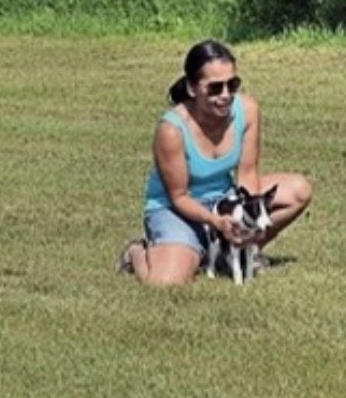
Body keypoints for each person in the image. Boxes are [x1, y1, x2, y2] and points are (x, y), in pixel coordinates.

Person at [118, 40, 312, 286]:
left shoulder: (248, 110)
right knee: (164, 283)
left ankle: (233, 251)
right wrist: (216, 222)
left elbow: (248, 174)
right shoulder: (171, 130)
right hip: (178, 208)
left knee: (298, 190)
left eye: (233, 85)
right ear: (191, 88)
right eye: (214, 88)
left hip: (226, 200)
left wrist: (249, 221)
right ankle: (136, 251)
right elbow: (178, 196)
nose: (225, 95)